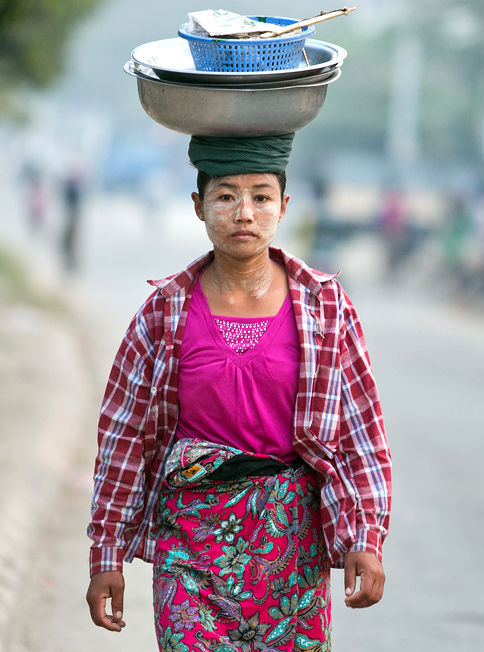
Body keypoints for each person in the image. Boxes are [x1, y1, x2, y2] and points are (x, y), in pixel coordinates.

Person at [85, 133, 392, 651]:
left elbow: (360, 432)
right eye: (226, 196)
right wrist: (106, 555)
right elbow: (123, 440)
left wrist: (366, 537)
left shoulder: (326, 308)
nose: (244, 212)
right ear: (198, 206)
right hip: (189, 547)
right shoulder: (164, 312)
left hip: (291, 549)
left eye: (261, 196)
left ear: (284, 207)